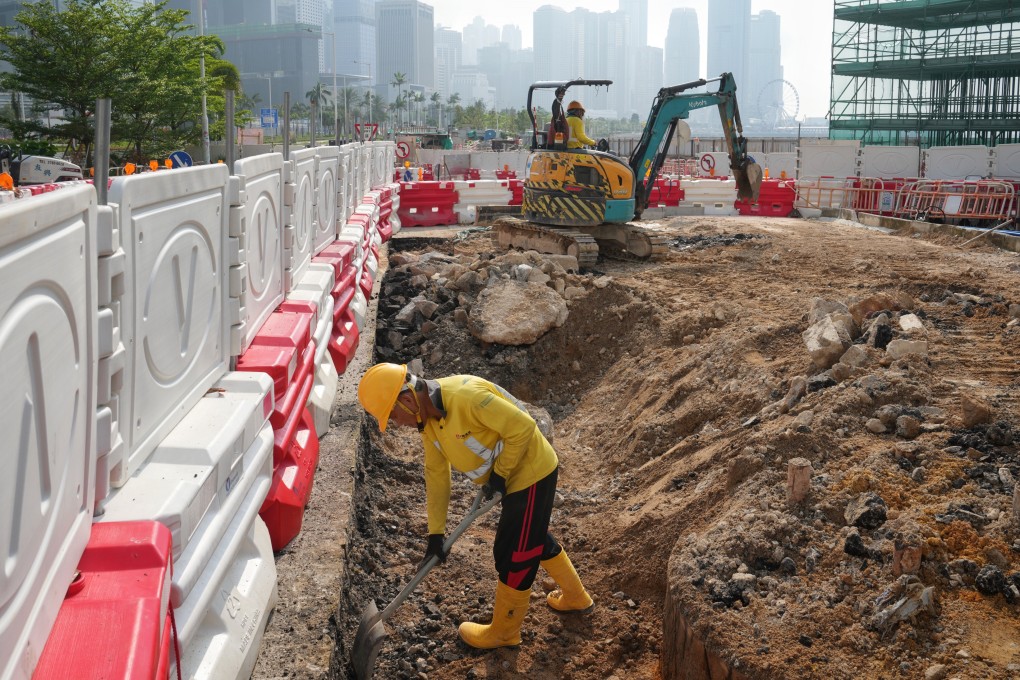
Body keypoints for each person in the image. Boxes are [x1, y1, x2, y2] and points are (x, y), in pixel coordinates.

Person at [357, 363, 593, 650]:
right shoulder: (429, 421)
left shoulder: (466, 397)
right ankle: (575, 596)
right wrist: (435, 534)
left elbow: (523, 427)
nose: (397, 423)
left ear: (407, 400)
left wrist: (500, 474)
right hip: (512, 479)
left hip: (532, 473)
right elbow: (436, 472)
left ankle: (505, 632)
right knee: (532, 537)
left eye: (392, 416)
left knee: (514, 553)